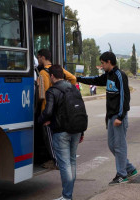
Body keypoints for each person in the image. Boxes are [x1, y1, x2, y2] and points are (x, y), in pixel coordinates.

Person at [77, 51, 137, 185]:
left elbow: (124, 98)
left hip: (118, 117)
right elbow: (96, 80)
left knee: (119, 146)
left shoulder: (119, 76)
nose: (102, 66)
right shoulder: (108, 75)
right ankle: (130, 168)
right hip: (110, 116)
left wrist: (120, 117)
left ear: (109, 62)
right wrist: (78, 79)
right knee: (111, 145)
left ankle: (122, 175)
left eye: (103, 63)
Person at [38, 65, 82, 200]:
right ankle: (69, 194)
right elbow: (79, 110)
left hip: (61, 131)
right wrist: (82, 132)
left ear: (52, 76)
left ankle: (67, 196)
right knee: (72, 161)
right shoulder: (73, 88)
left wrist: (40, 120)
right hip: (76, 130)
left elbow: (48, 111)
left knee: (64, 164)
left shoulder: (52, 91)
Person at [36, 49, 76, 169]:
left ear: (42, 58)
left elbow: (43, 94)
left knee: (48, 136)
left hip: (47, 109)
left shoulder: (43, 73)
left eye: (38, 58)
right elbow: (73, 78)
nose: (37, 60)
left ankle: (55, 161)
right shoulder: (59, 70)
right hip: (59, 110)